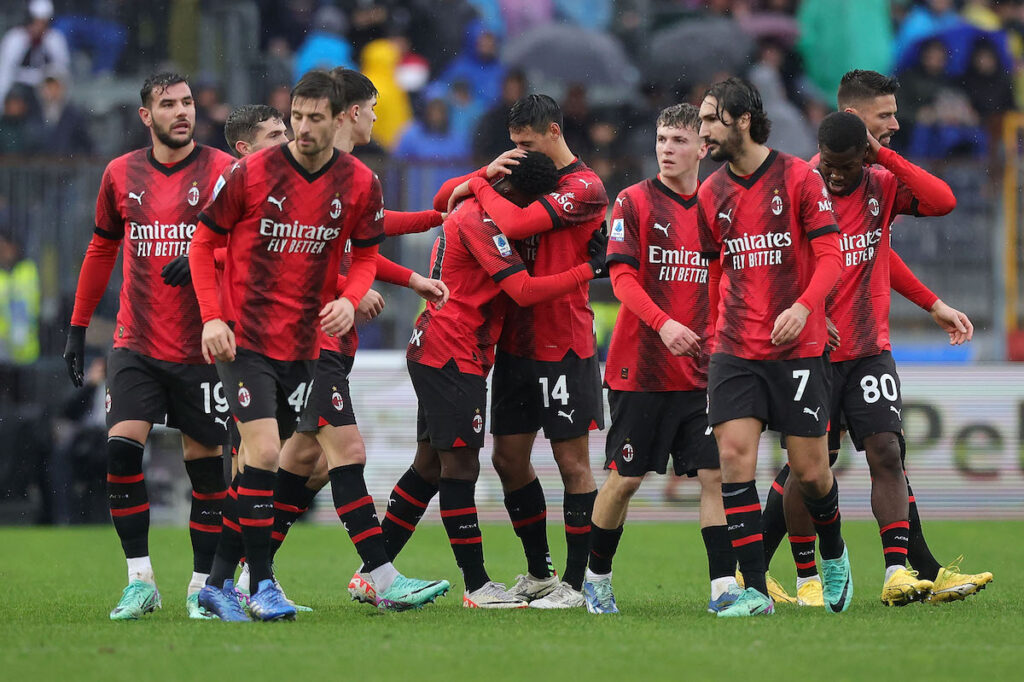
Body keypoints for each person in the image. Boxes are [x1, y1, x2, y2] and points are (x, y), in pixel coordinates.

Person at [189, 70, 449, 621]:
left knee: (293, 465)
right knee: (278, 455)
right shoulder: (251, 173)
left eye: (313, 118)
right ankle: (272, 585)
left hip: (307, 346)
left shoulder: (360, 183)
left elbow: (364, 253)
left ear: (339, 118)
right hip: (247, 341)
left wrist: (351, 297)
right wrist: (213, 317)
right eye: (296, 117)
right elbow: (204, 241)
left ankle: (218, 582)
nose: (302, 128)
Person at [759, 69, 992, 605]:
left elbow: (919, 218)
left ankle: (906, 571)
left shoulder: (880, 181)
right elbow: (771, 266)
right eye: (885, 115)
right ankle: (753, 569)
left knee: (886, 451)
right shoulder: (803, 185)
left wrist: (932, 303)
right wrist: (808, 311)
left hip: (869, 348)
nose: (895, 123)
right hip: (814, 351)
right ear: (855, 118)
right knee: (809, 467)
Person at [385, 150, 607, 608]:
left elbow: (446, 199)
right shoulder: (480, 218)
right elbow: (522, 289)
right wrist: (590, 268)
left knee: (429, 465)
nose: (522, 214)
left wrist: (482, 180)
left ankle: (376, 568)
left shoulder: (485, 206)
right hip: (454, 351)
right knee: (459, 466)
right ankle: (476, 585)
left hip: (457, 348)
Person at [61, 72, 236, 621]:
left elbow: (253, 245)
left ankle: (201, 587)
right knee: (120, 449)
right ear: (146, 115)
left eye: (187, 103)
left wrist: (213, 257)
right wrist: (76, 326)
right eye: (169, 104)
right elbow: (100, 248)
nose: (182, 112)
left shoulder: (223, 171)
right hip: (135, 341)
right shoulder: (120, 174)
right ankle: (140, 579)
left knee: (206, 472)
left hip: (204, 345)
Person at [695, 77, 850, 617]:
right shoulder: (710, 193)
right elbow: (715, 270)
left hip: (798, 348)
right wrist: (711, 333)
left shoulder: (799, 178)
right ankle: (756, 592)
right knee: (735, 459)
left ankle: (833, 552)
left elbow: (833, 256)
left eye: (712, 118)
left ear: (742, 119)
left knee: (809, 471)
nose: (703, 130)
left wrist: (806, 307)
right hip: (735, 348)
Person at [581, 103, 740, 615]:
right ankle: (595, 578)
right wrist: (664, 324)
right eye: (661, 139)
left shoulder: (722, 206)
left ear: (703, 148)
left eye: (677, 140)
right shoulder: (633, 201)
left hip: (702, 372)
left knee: (715, 477)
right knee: (624, 480)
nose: (666, 149)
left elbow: (734, 282)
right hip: (639, 368)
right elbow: (621, 278)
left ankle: (722, 589)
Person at [0, 0, 70, 103]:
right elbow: (5, 73)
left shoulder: (55, 40)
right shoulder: (14, 39)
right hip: (19, 90)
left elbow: (62, 72)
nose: (39, 27)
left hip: (44, 92)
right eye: (36, 21)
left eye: (43, 23)